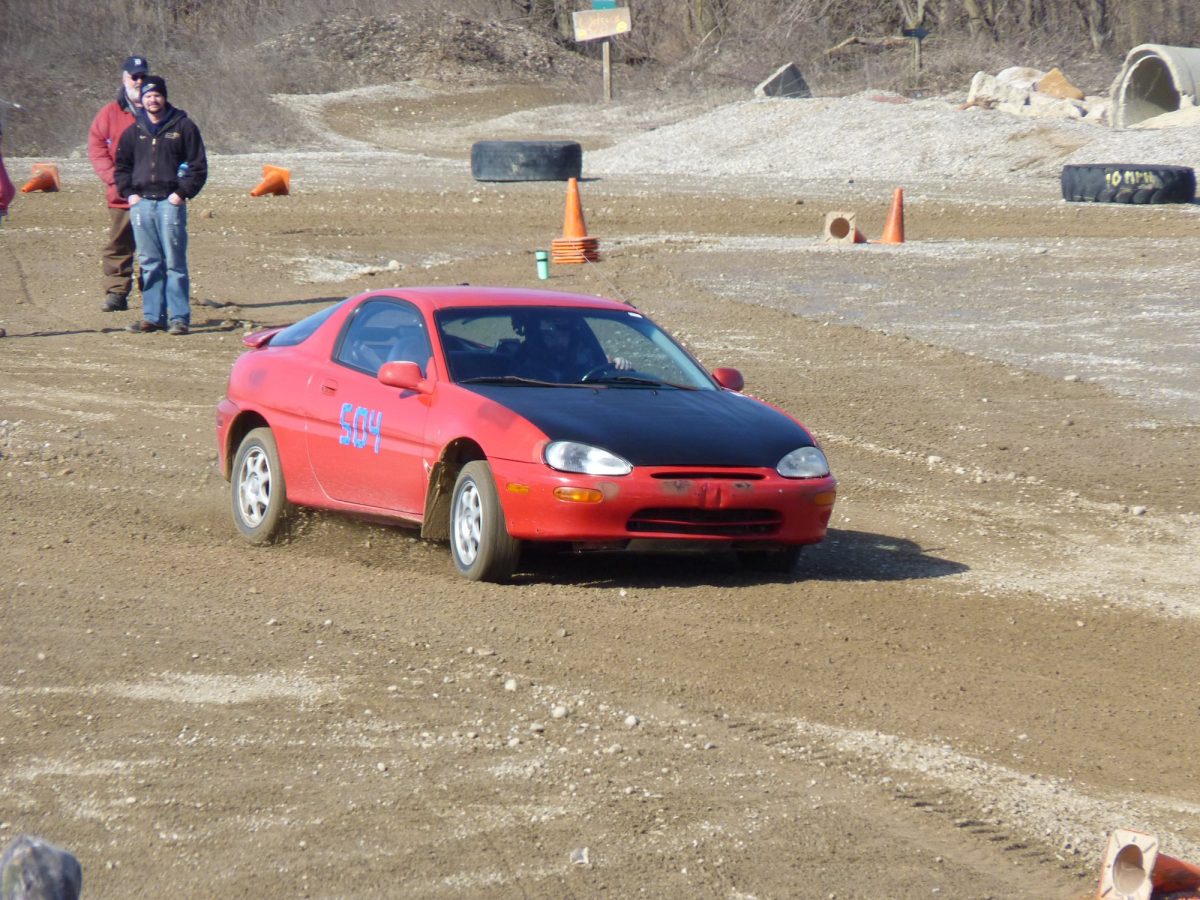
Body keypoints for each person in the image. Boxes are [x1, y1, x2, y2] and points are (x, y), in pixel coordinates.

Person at [114, 74, 207, 335]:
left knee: (175, 263)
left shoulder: (184, 127)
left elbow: (198, 166)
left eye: (157, 95)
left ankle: (179, 318)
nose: (153, 100)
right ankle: (153, 317)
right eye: (148, 96)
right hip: (142, 204)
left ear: (164, 97)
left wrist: (181, 193)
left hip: (170, 203)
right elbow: (121, 167)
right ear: (141, 100)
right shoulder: (133, 132)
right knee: (149, 262)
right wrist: (129, 194)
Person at [88, 54, 149, 312]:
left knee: (154, 245)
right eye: (134, 77)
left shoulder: (158, 108)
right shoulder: (109, 113)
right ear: (125, 78)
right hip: (122, 194)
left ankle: (153, 293)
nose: (139, 81)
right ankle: (116, 292)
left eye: (143, 76)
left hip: (153, 192)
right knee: (119, 244)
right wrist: (113, 180)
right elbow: (97, 147)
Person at [513, 314, 630, 383]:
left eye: (561, 334)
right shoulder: (526, 360)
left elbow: (603, 373)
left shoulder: (588, 357)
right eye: (548, 336)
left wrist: (618, 365)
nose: (554, 340)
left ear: (571, 335)